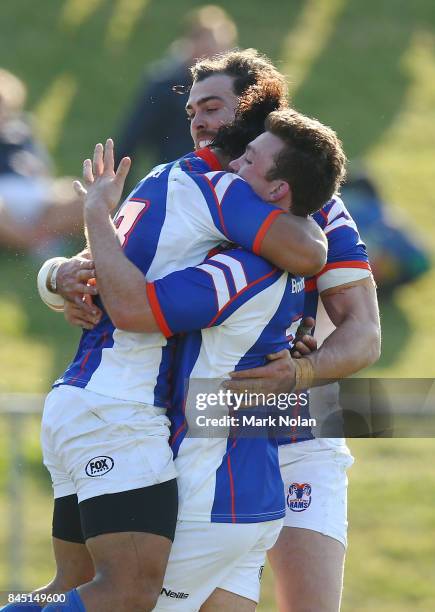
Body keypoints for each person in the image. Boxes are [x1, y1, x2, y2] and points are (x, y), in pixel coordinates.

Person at [37, 48, 379, 611]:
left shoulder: (316, 208)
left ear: (259, 110)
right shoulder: (188, 186)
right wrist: (57, 278)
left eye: (213, 107)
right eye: (191, 108)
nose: (196, 121)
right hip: (199, 431)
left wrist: (302, 368)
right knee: (109, 594)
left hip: (296, 436)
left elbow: (364, 334)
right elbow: (110, 272)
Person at [115, 5, 238, 172]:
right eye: (207, 49)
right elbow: (132, 138)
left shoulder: (237, 88)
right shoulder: (165, 86)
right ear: (190, 46)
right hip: (175, 175)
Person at [0, 68, 83, 254]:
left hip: (39, 198)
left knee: (83, 195)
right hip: (4, 203)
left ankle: (39, 237)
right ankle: (32, 242)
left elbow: (45, 172)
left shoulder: (22, 133)